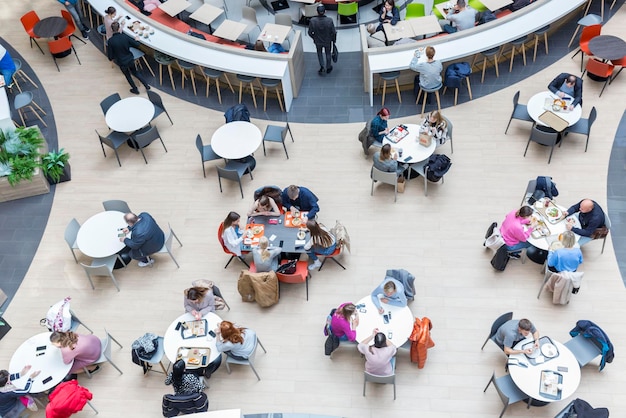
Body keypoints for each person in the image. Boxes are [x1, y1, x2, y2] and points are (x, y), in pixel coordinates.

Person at [107, 21, 151, 95]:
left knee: (128, 76)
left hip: (121, 62)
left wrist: (111, 59)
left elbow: (110, 55)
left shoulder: (110, 41)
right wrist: (137, 40)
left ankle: (135, 89)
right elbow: (136, 44)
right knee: (135, 72)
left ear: (112, 30)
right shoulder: (125, 37)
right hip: (130, 59)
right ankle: (146, 86)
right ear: (118, 29)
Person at [308, 5, 337, 75]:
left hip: (318, 41)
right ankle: (328, 67)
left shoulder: (312, 21)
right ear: (325, 12)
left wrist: (314, 38)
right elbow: (333, 32)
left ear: (317, 12)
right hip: (327, 41)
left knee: (319, 53)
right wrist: (333, 40)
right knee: (328, 53)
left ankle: (322, 66)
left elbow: (309, 32)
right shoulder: (329, 20)